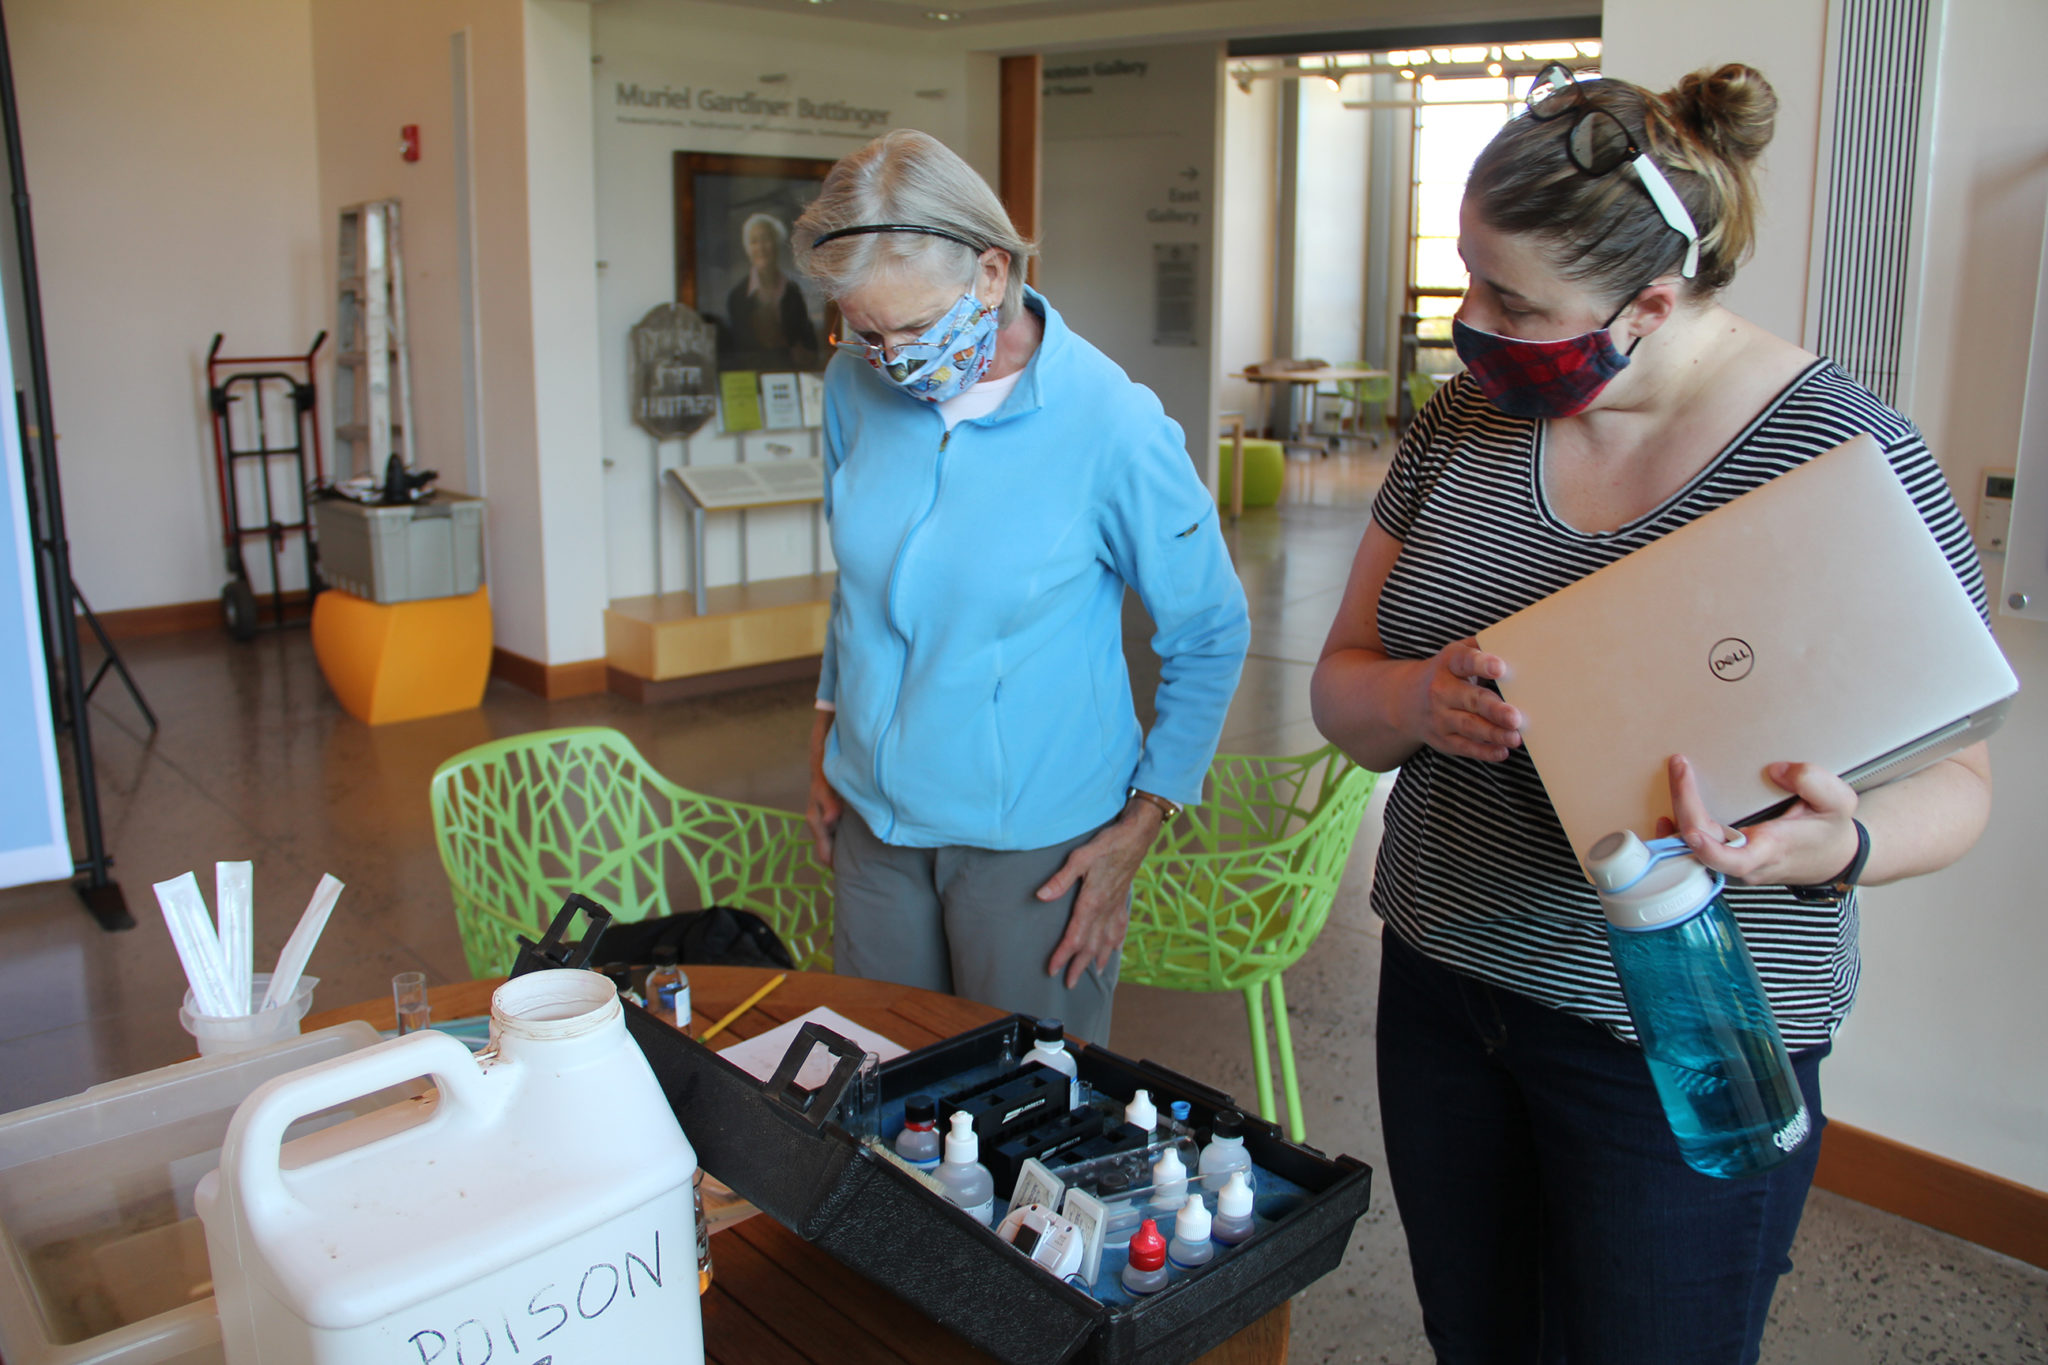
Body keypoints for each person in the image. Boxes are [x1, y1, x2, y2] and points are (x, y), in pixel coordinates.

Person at [1310, 63, 1993, 1364]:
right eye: (1467, 278)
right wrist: (1413, 698)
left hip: (1682, 1037)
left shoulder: (1838, 455)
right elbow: (1343, 687)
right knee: (1478, 1339)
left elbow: (1961, 782)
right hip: (1447, 990)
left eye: (1514, 303)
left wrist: (1835, 845)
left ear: (1652, 305)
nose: (1471, 325)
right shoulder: (1467, 419)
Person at [790, 129, 1249, 1044]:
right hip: (873, 823)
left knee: (1020, 1102)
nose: (892, 358)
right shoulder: (853, 387)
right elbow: (860, 589)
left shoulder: (1113, 425)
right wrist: (826, 734)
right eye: (866, 332)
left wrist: (1143, 821)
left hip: (1034, 845)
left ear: (991, 273)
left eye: (916, 329)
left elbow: (1210, 631)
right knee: (880, 1083)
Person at [722, 212, 821, 372]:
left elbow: (808, 343)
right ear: (748, 249)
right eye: (754, 241)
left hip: (788, 375)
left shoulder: (793, 291)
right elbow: (736, 351)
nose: (761, 247)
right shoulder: (737, 296)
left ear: (777, 243)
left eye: (766, 239)